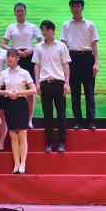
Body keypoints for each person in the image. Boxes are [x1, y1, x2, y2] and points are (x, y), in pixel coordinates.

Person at [0, 48, 37, 174]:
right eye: (8, 56)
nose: (10, 58)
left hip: (21, 104)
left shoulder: (24, 72)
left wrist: (19, 92)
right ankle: (16, 164)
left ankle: (23, 163)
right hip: (9, 104)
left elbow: (34, 90)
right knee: (13, 136)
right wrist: (7, 92)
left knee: (22, 135)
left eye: (13, 56)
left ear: (18, 58)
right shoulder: (4, 73)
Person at [33, 19, 71, 152]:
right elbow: (37, 66)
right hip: (45, 83)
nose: (43, 32)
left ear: (52, 30)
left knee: (61, 114)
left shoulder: (61, 46)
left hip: (59, 83)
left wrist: (67, 82)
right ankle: (49, 143)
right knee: (47, 115)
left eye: (44, 29)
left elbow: (66, 65)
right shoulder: (38, 47)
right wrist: (37, 83)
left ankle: (61, 143)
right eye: (42, 29)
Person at [61, 0, 99, 130]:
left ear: (82, 7)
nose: (75, 9)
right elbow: (63, 45)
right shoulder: (66, 25)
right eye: (72, 6)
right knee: (75, 92)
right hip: (72, 59)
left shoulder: (90, 24)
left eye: (77, 6)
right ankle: (78, 121)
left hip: (87, 58)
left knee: (89, 91)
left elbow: (94, 45)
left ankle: (91, 122)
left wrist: (96, 63)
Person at [3, 2, 41, 127]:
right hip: (16, 57)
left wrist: (32, 50)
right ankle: (15, 119)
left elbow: (40, 43)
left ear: (26, 11)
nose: (20, 13)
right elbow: (4, 44)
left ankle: (29, 120)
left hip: (30, 57)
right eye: (17, 11)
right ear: (15, 13)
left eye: (21, 10)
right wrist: (15, 51)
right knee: (14, 87)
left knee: (30, 89)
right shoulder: (11, 27)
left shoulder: (33, 27)